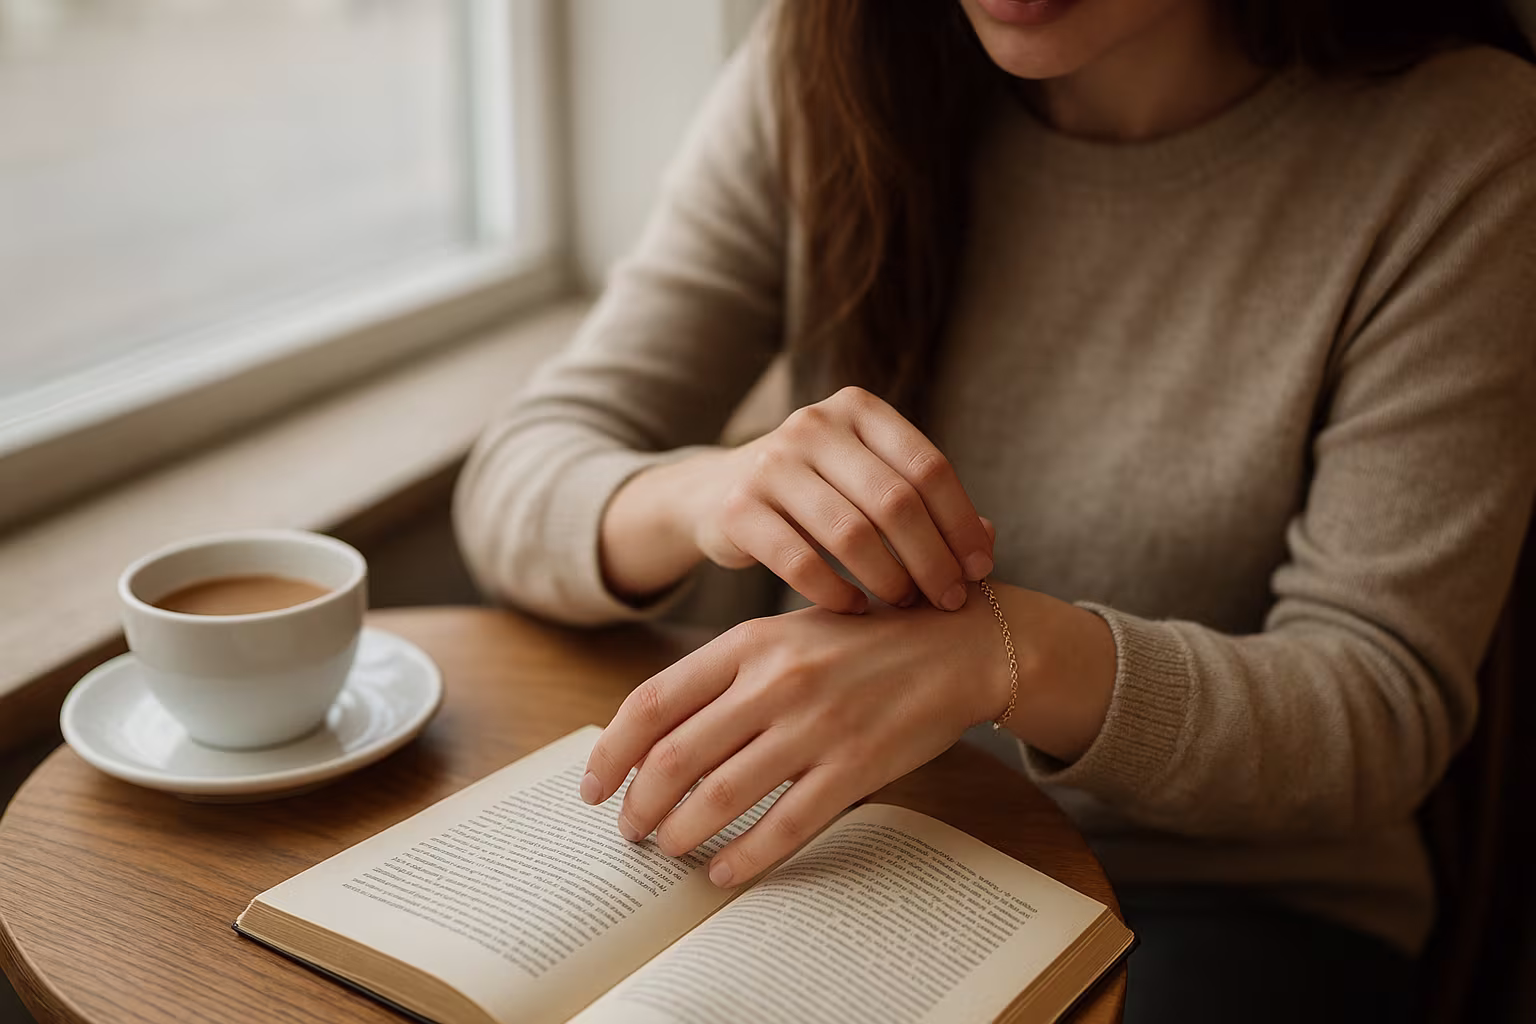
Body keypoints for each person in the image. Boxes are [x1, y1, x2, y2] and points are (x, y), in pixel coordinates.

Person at [454, 1, 1536, 1018]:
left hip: (1212, 903)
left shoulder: (1461, 144)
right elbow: (517, 477)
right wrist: (702, 491)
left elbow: (1376, 706)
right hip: (840, 849)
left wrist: (1001, 658)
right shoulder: (828, 60)